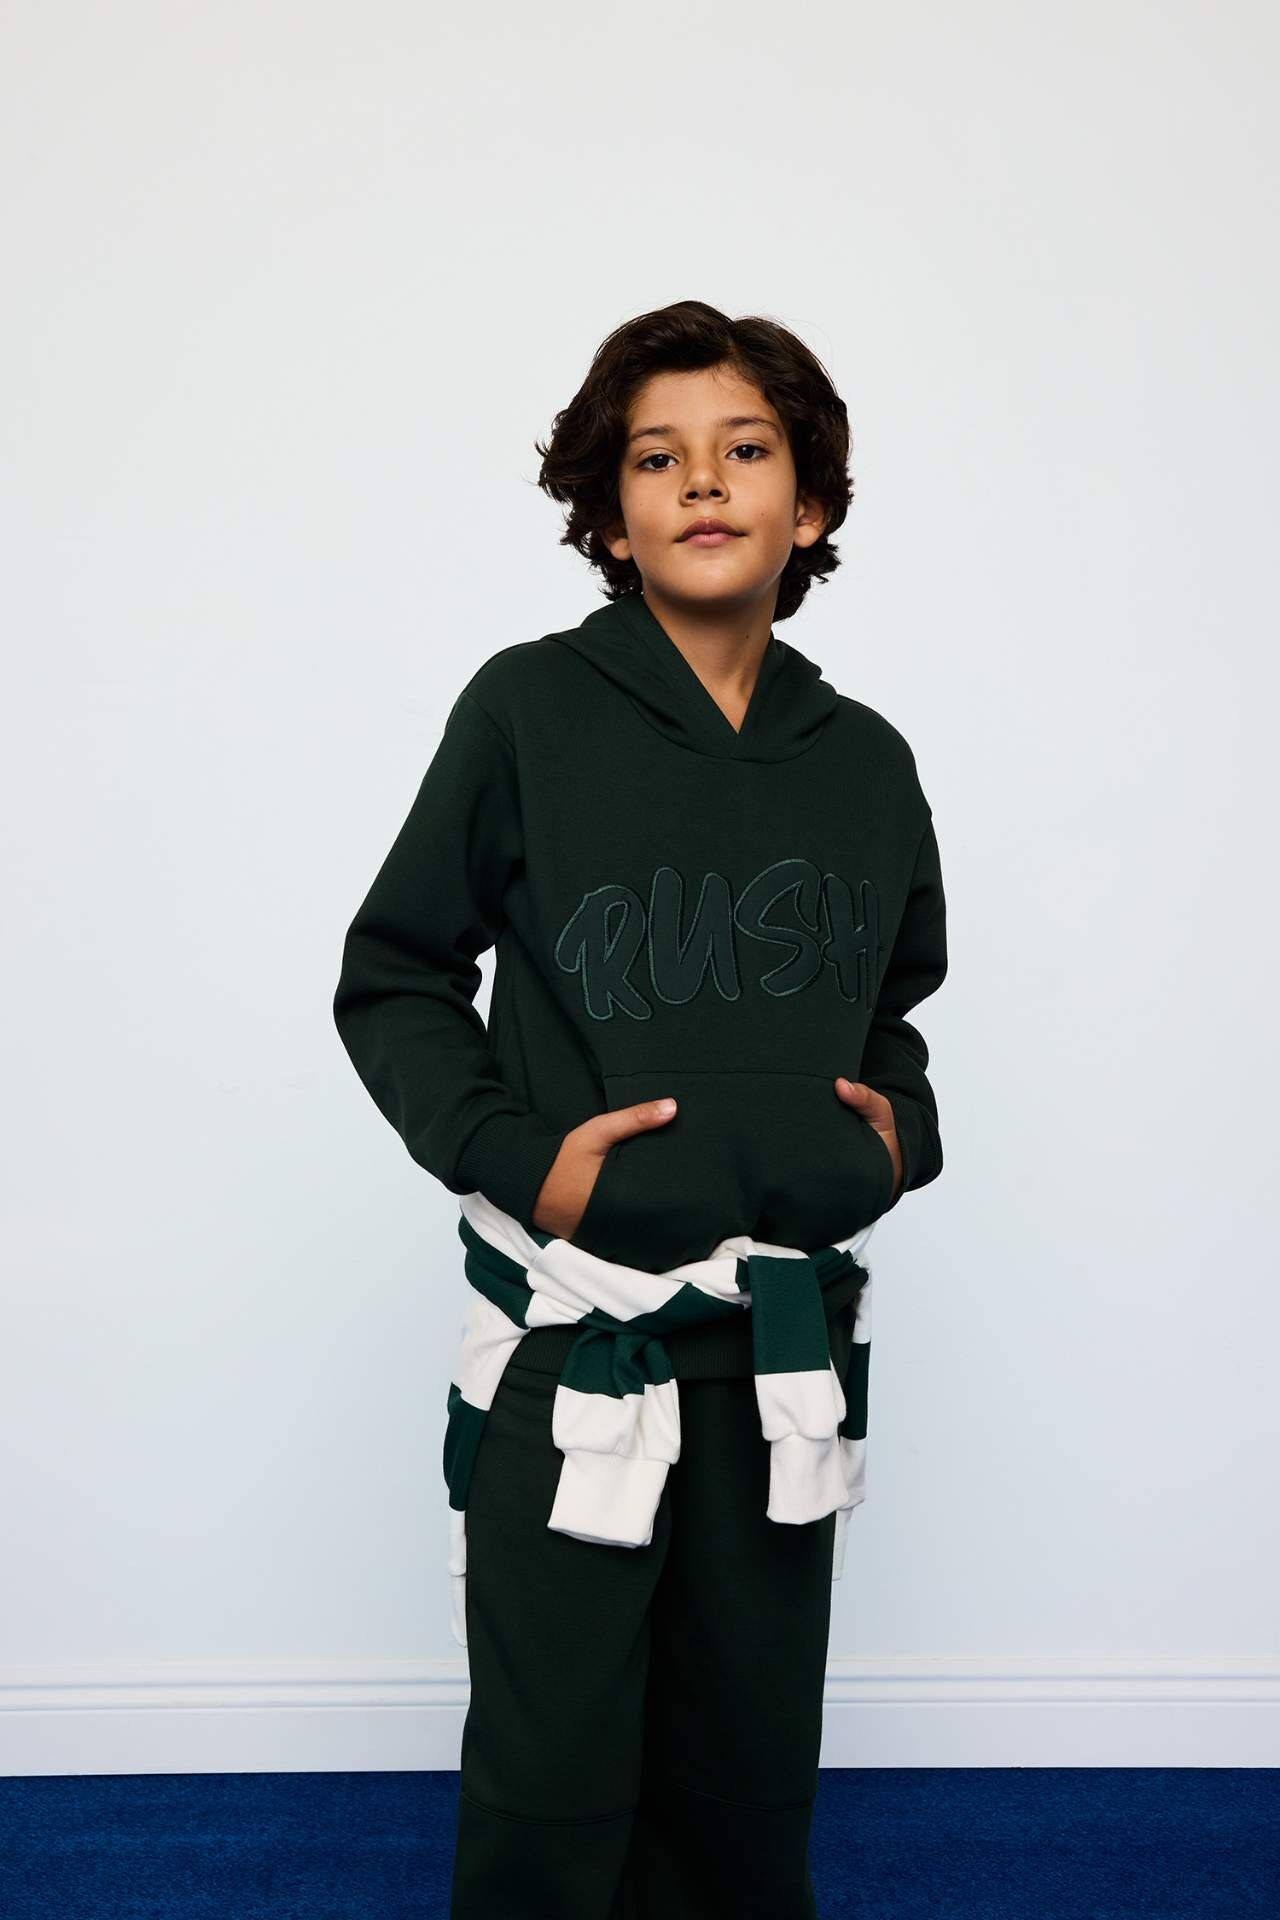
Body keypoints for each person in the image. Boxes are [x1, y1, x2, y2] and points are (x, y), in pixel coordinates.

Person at [332, 298, 948, 1920]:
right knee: (553, 1772)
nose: (705, 482)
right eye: (658, 459)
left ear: (810, 504)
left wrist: (896, 1132)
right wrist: (520, 1160)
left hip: (782, 1351)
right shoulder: (527, 713)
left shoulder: (866, 762)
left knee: (748, 1770)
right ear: (608, 518)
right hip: (577, 1342)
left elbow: (895, 1005)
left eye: (747, 450)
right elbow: (395, 974)